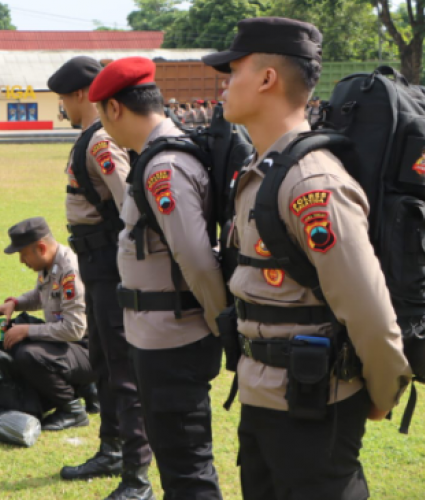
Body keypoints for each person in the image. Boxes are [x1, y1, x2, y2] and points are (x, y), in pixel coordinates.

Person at [201, 17, 412, 499]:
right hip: (265, 397)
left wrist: (382, 393)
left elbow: (370, 312)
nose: (225, 84)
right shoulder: (263, 170)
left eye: (233, 71)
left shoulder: (312, 185)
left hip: (314, 406)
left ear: (267, 79)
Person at [89, 57, 228, 500]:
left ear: (114, 108)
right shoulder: (155, 156)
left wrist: (220, 321)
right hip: (163, 335)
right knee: (178, 466)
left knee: (186, 472)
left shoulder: (163, 165)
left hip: (174, 340)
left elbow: (197, 259)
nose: (102, 127)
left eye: (101, 115)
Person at [47, 56, 154, 499]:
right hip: (96, 265)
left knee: (123, 371)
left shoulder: (100, 144)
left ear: (78, 95)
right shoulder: (91, 139)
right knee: (106, 364)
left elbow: (131, 202)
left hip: (112, 265)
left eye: (63, 100)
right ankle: (111, 449)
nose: (63, 109)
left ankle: (137, 476)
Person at [0, 217, 95, 431]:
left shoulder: (70, 271)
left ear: (41, 247)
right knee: (9, 332)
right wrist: (14, 304)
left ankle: (72, 410)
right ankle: (89, 390)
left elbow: (74, 329)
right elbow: (41, 295)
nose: (21, 260)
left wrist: (28, 331)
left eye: (23, 253)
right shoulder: (51, 263)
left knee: (30, 355)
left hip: (92, 351)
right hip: (75, 345)